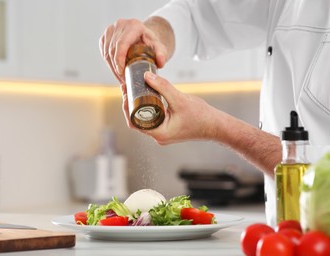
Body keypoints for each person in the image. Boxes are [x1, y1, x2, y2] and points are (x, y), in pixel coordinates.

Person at [99, 0, 330, 227]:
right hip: (285, 240)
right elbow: (196, 15)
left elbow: (323, 176)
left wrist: (217, 127)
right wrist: (151, 36)